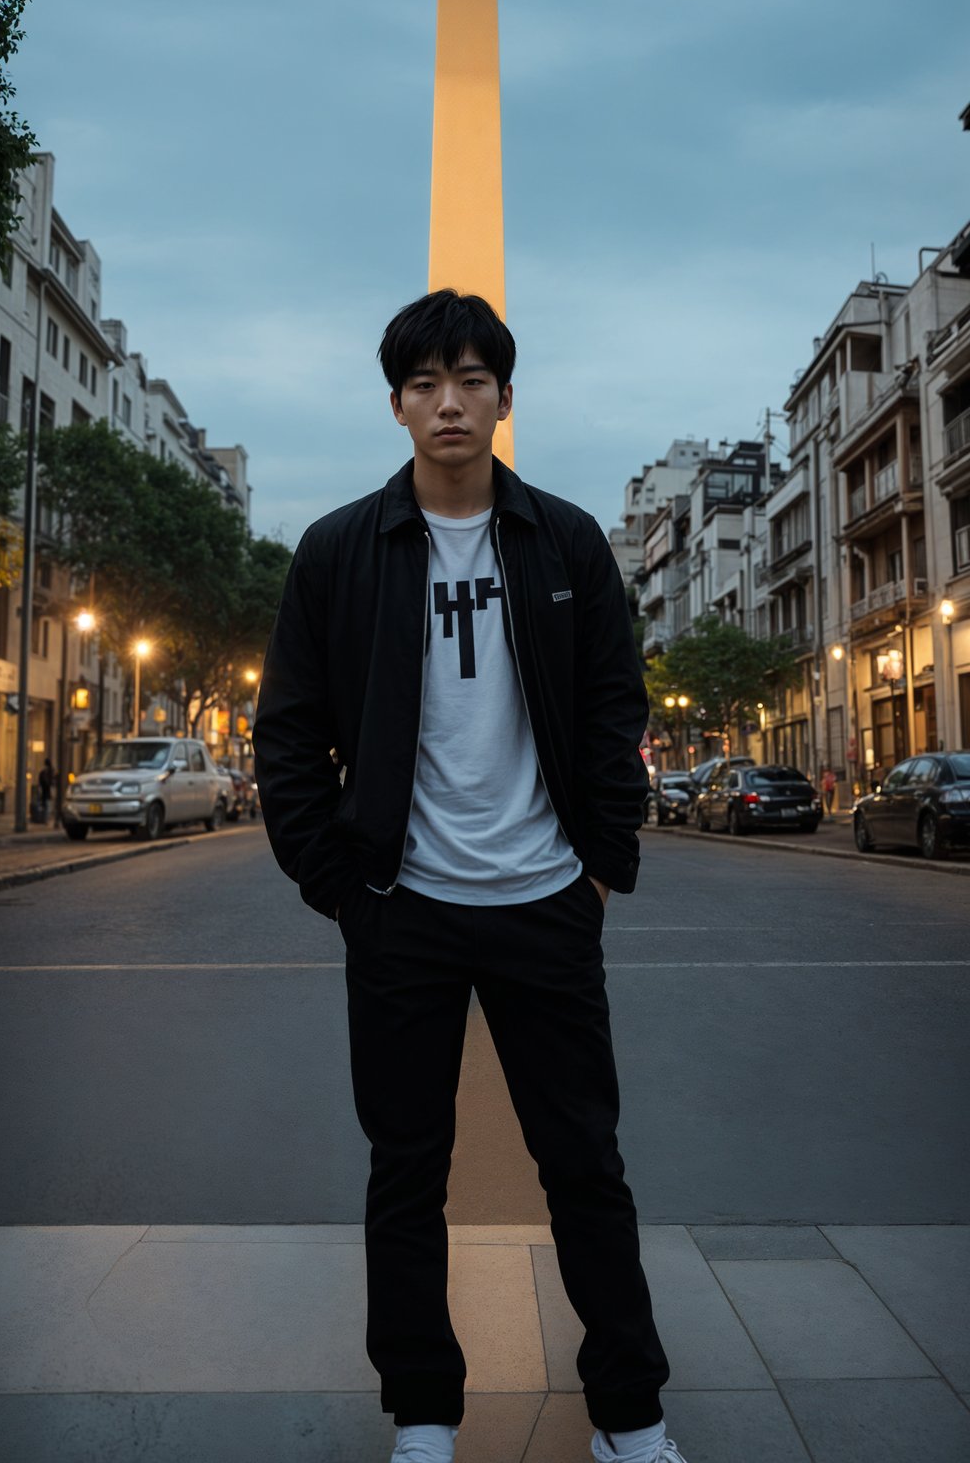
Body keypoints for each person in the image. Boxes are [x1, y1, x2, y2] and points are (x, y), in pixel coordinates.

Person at [253, 290, 685, 1463]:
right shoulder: (340, 550)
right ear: (395, 403)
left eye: (473, 379)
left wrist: (600, 865)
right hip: (402, 910)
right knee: (408, 1172)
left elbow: (612, 710)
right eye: (427, 382)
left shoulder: (566, 541)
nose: (451, 401)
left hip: (545, 903)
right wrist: (337, 884)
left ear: (503, 397)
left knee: (585, 1164)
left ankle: (630, 1417)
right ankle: (425, 1416)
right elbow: (287, 733)